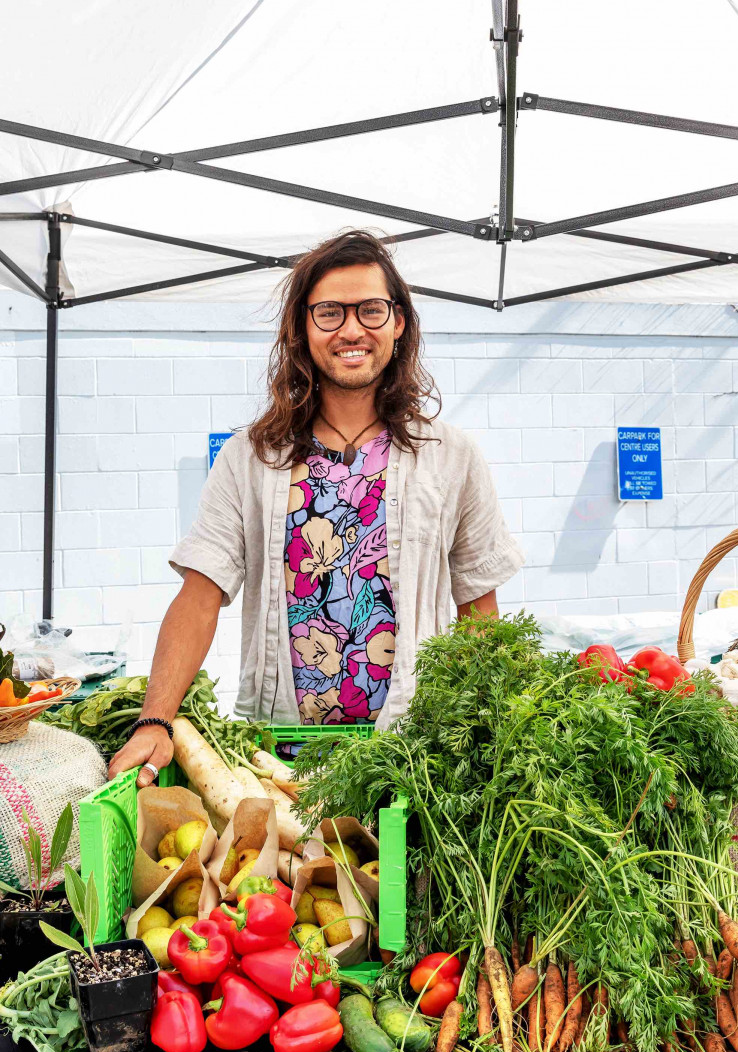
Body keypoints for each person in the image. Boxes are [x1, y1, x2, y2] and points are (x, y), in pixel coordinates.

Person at [108, 230, 523, 787]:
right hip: (274, 758)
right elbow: (200, 596)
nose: (352, 329)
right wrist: (154, 719)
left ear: (399, 323)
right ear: (303, 329)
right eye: (329, 312)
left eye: (371, 310)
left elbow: (479, 610)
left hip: (411, 755)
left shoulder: (452, 457)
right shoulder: (249, 458)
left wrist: (485, 730)